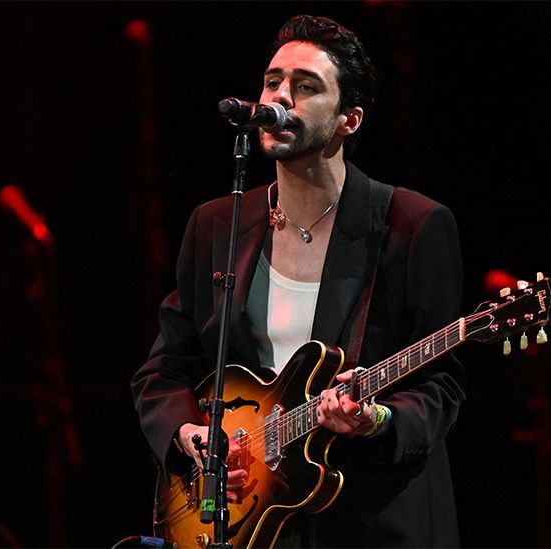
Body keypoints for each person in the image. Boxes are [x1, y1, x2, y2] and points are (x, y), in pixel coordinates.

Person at [132, 14, 466, 547]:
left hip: (373, 520)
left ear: (347, 120)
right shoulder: (218, 224)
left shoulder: (411, 225)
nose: (280, 96)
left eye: (306, 87)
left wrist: (376, 420)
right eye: (272, 81)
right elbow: (165, 369)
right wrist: (188, 434)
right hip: (251, 523)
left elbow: (441, 385)